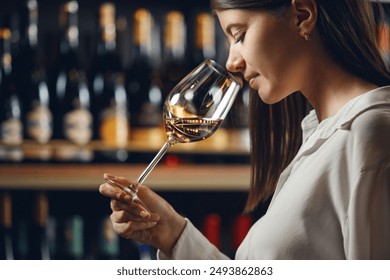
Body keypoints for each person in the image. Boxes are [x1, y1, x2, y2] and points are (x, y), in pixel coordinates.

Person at [99, 0, 390, 259]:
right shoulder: (323, 134)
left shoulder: (371, 137)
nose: (231, 62)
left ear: (302, 15)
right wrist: (173, 235)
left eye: (239, 35)